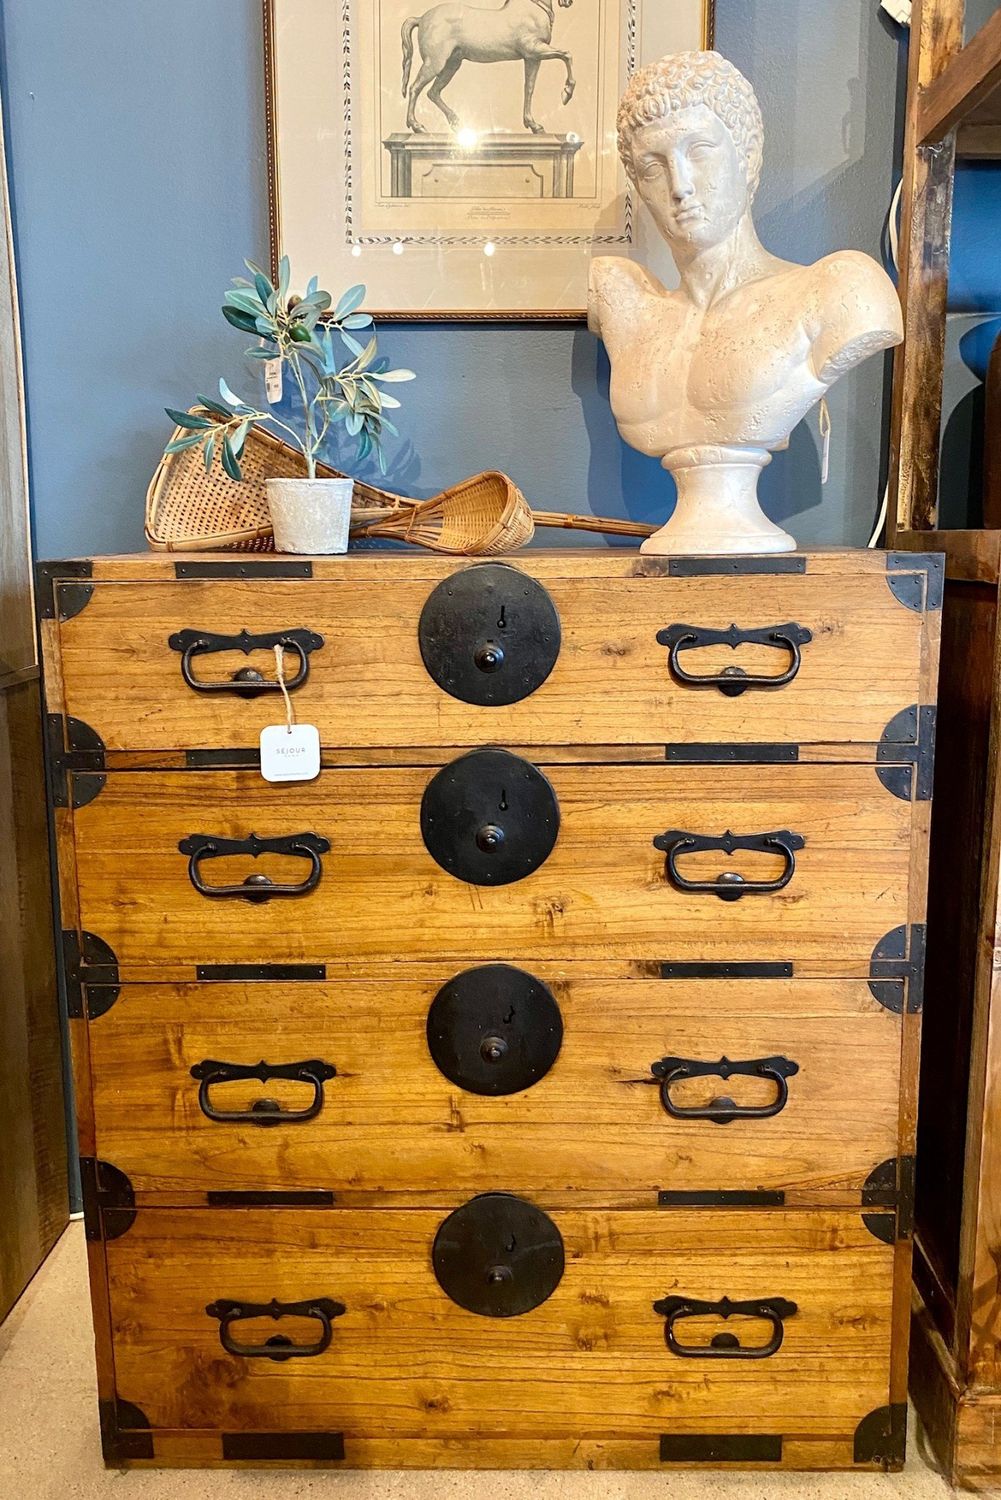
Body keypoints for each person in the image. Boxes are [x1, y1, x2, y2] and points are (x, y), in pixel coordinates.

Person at [589, 51, 903, 554]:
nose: (680, 185)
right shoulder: (629, 309)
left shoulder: (839, 291)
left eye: (700, 150)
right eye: (653, 165)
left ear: (747, 155)